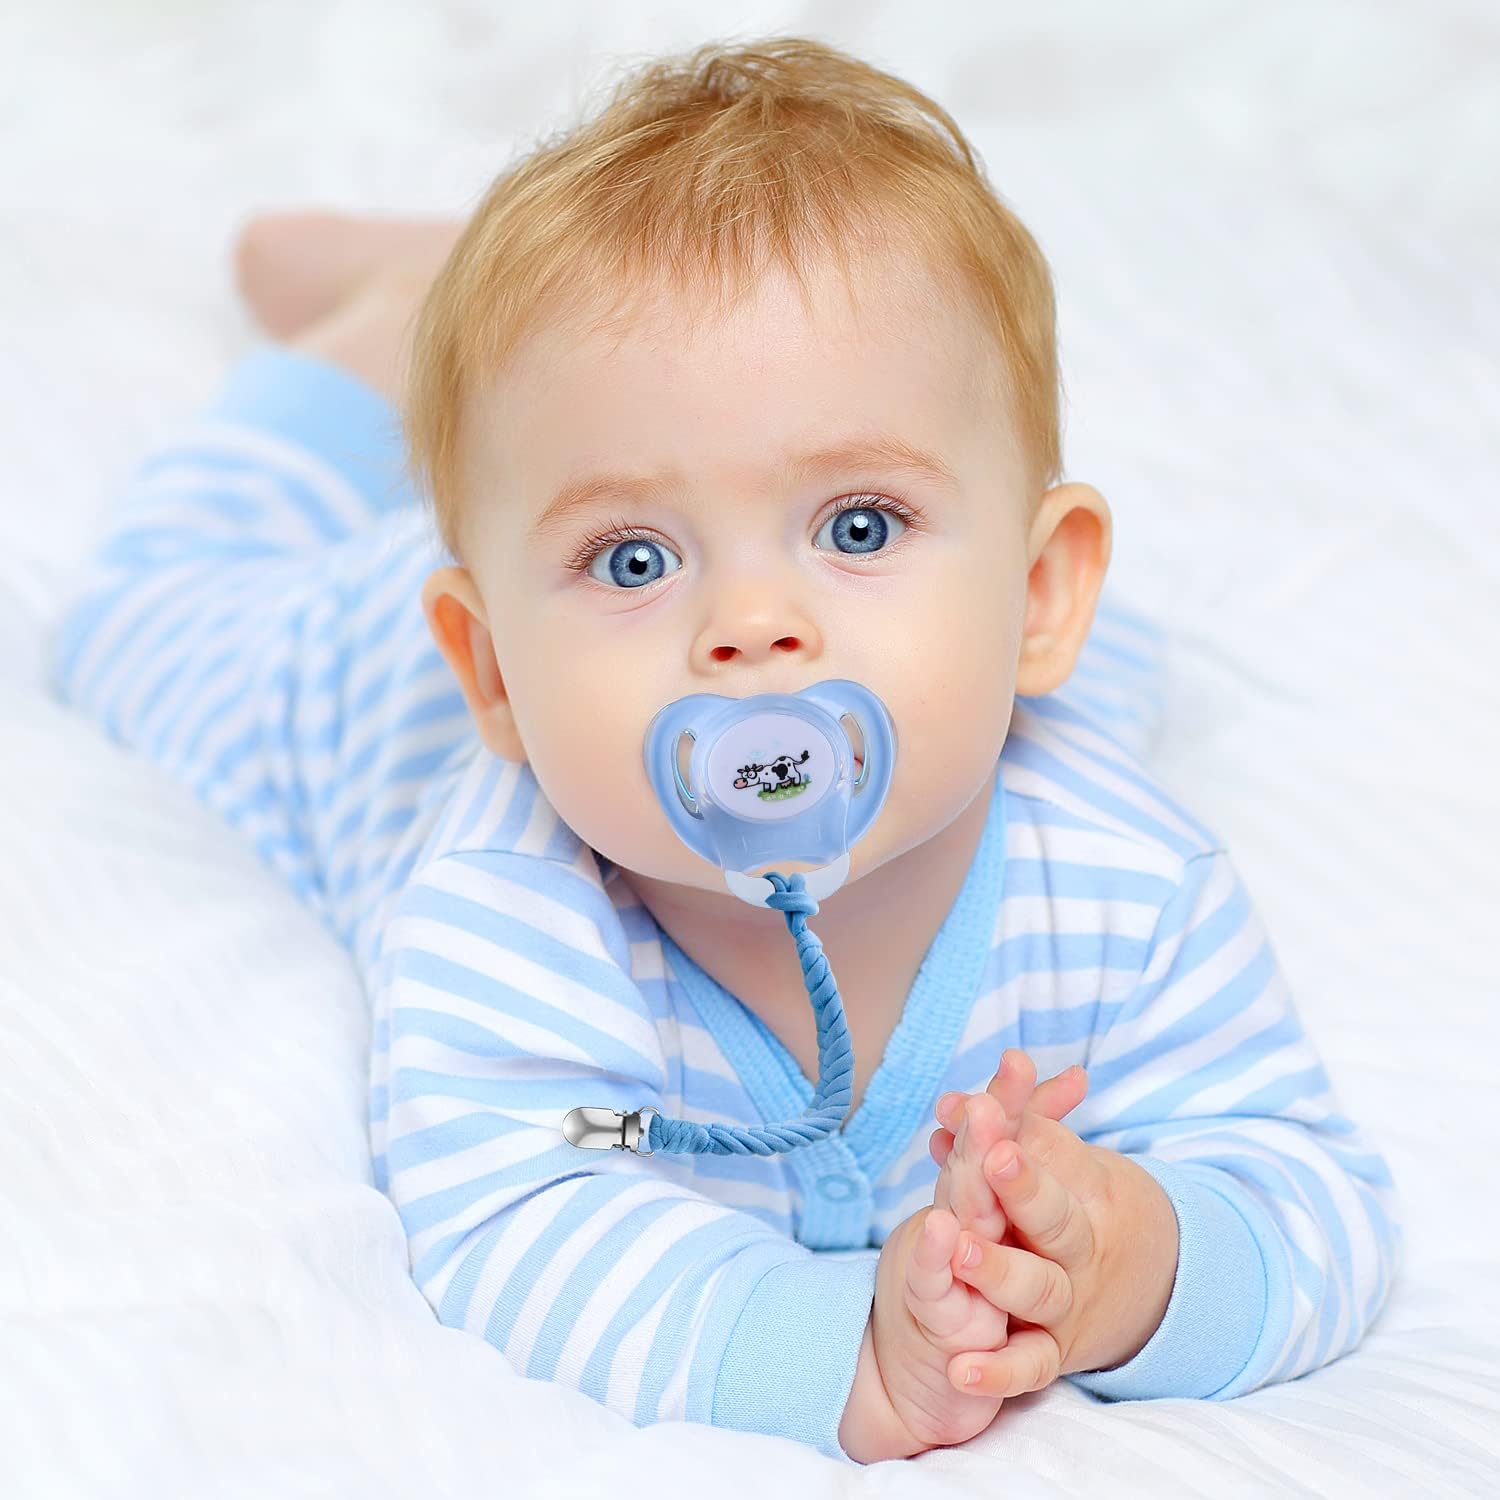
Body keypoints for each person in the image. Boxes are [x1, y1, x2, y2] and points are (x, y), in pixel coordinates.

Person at [49, 35, 1402, 1467]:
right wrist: (842, 1355)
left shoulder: (1129, 881)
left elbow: (1310, 1189)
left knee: (1068, 683)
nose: (752, 626)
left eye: (858, 526)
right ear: (497, 668)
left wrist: (1137, 1265)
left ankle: (529, 393)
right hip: (343, 683)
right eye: (634, 556)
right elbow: (523, 1218)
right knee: (125, 627)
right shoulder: (513, 905)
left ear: (1036, 593)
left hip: (962, 659)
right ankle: (376, 330)